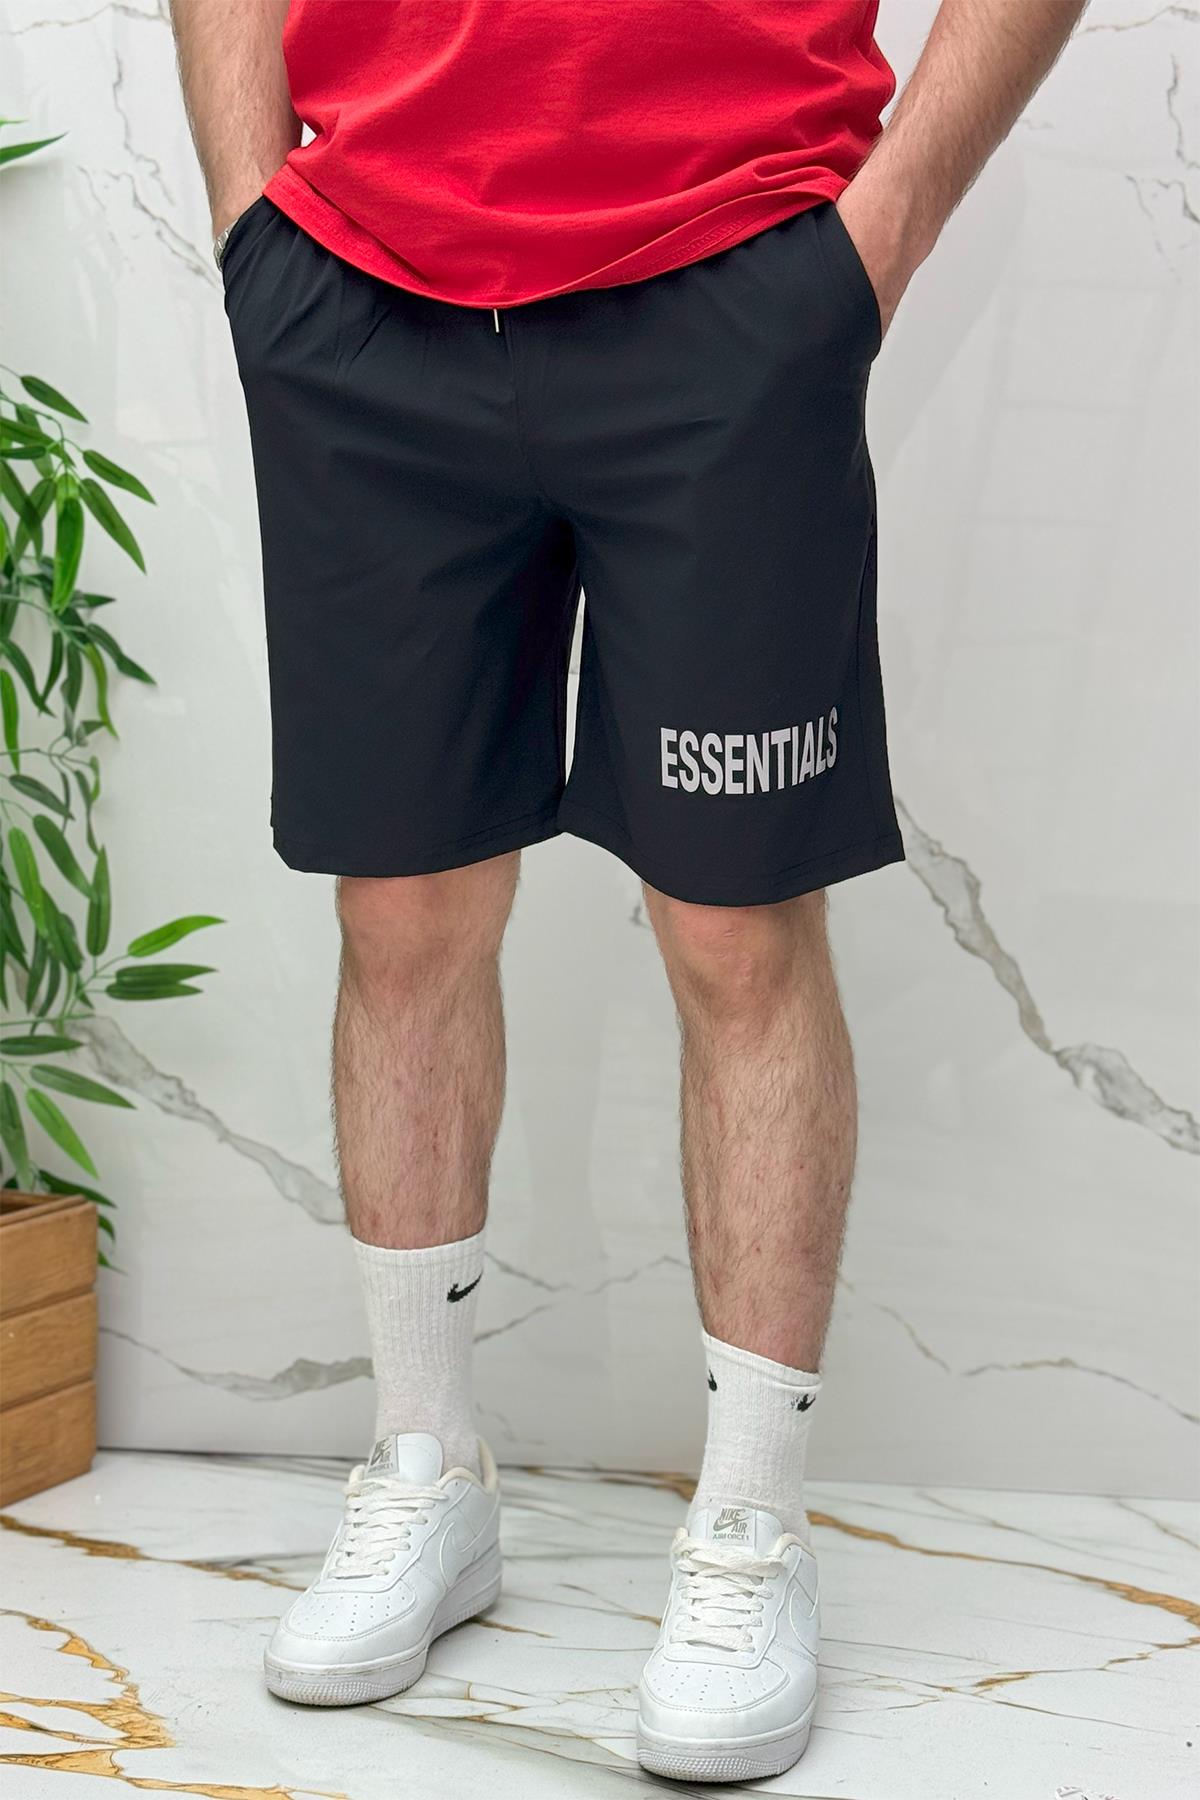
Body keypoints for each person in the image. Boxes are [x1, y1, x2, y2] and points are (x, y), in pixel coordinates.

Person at [171, 0, 1086, 1780]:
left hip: (731, 287)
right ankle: (427, 1471)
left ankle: (748, 1528)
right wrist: (246, 213)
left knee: (736, 926)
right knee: (401, 913)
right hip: (362, 293)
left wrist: (876, 235)